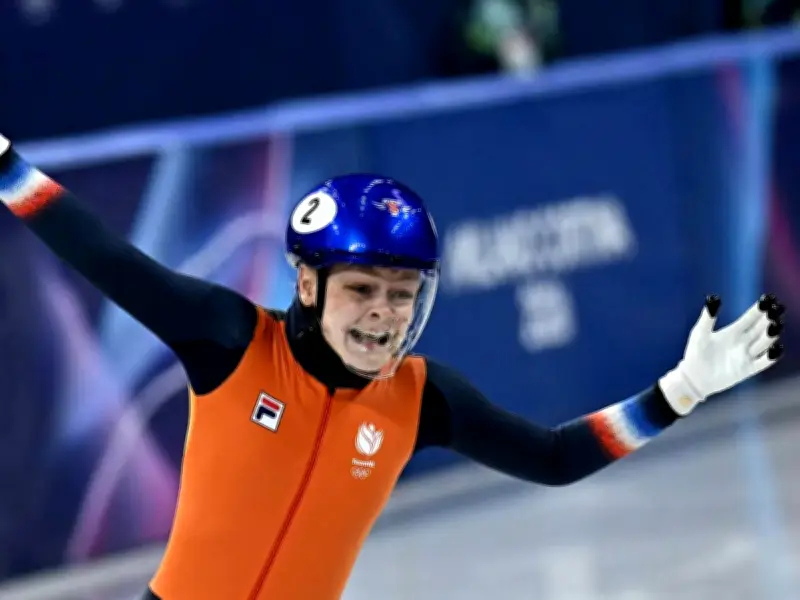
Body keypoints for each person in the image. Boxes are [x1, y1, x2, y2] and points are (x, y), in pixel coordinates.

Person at [0, 134, 784, 599]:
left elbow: (551, 459)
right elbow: (100, 254)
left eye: (403, 293)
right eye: (363, 290)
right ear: (307, 285)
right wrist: (8, 168)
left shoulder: (423, 398)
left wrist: (678, 391)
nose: (385, 313)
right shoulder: (231, 339)